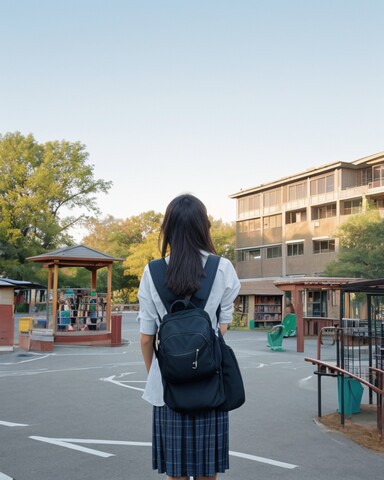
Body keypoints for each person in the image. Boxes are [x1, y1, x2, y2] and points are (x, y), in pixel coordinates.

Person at [138, 194, 241, 480]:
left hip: (168, 388)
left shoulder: (152, 271)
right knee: (208, 473)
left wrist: (158, 374)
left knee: (176, 474)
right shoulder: (223, 268)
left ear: (168, 228)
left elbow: (147, 338)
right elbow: (221, 329)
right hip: (211, 383)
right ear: (203, 227)